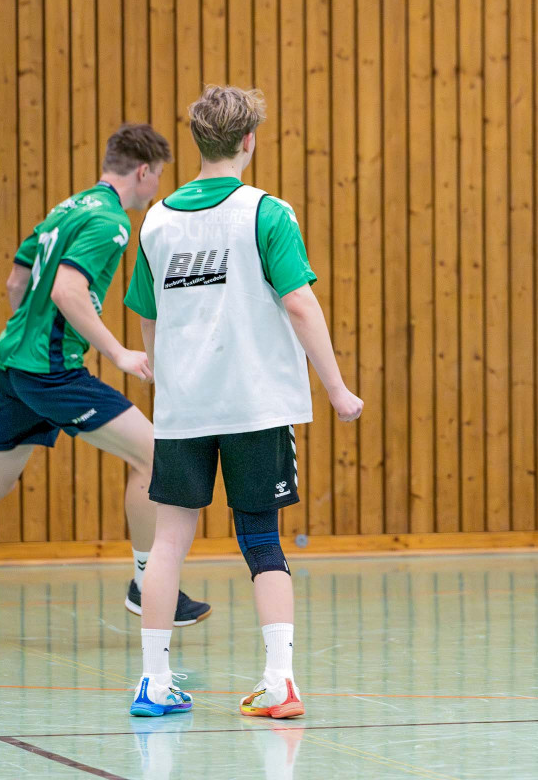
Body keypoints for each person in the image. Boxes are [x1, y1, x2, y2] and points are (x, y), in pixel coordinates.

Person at [125, 85, 364, 718]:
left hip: (184, 409)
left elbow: (149, 316)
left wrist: (169, 379)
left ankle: (153, 682)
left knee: (168, 544)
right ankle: (279, 682)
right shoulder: (267, 212)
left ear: (198, 142)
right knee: (261, 540)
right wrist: (336, 387)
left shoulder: (156, 221)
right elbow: (299, 302)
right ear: (249, 141)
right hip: (255, 407)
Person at [0, 124, 212, 625]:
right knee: (155, 456)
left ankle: (146, 584)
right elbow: (66, 291)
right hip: (51, 372)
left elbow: (16, 281)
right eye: (158, 177)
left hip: (16, 363)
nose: (156, 188)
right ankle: (146, 585)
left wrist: (33, 335)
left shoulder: (68, 208)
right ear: (143, 171)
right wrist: (118, 353)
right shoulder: (110, 221)